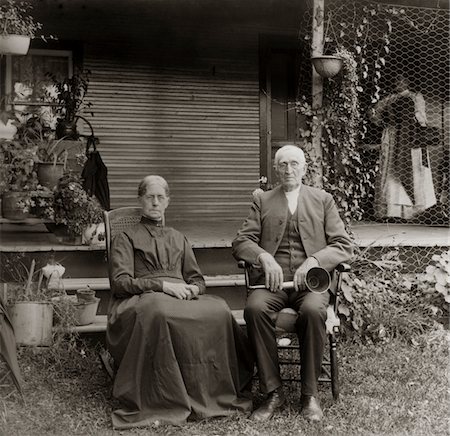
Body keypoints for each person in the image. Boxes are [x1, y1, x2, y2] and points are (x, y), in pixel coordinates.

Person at [107, 175, 253, 429]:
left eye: (160, 197)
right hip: (140, 299)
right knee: (159, 310)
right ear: (140, 200)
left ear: (168, 202)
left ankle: (211, 390)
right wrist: (163, 286)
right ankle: (164, 395)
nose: (154, 202)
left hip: (178, 295)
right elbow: (120, 284)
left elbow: (197, 279)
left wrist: (191, 289)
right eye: (149, 197)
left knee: (218, 309)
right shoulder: (125, 238)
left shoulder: (179, 237)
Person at [232, 145, 353, 422]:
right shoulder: (263, 200)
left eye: (295, 164)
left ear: (304, 168)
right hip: (273, 285)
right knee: (254, 308)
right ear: (276, 169)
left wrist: (314, 261)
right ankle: (273, 391)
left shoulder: (322, 199)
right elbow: (241, 242)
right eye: (283, 164)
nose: (289, 170)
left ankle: (309, 395)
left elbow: (343, 245)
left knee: (312, 311)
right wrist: (263, 257)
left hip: (311, 284)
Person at [370, 74, 436, 220]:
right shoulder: (389, 99)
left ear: (407, 82)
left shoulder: (415, 97)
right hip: (394, 136)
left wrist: (409, 120)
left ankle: (413, 212)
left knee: (411, 167)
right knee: (391, 170)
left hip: (409, 136)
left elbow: (421, 118)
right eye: (396, 80)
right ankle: (392, 211)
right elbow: (374, 115)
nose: (398, 82)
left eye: (402, 80)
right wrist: (388, 123)